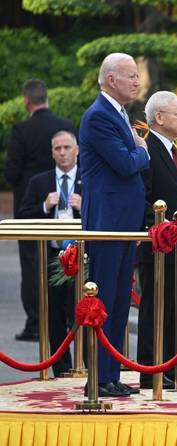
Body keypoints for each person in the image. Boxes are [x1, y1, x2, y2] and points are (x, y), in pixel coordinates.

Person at [79, 53, 150, 397]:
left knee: (121, 299)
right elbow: (125, 163)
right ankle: (99, 374)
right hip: (107, 223)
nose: (137, 81)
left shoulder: (118, 113)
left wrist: (136, 149)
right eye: (131, 76)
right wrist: (144, 150)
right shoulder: (99, 116)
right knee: (104, 297)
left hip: (123, 222)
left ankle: (111, 372)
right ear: (111, 80)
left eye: (137, 76)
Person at [136, 91, 177, 389]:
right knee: (155, 308)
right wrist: (159, 226)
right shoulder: (147, 150)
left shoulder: (173, 151)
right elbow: (143, 197)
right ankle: (152, 371)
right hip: (160, 247)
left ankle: (172, 366)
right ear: (159, 117)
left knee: (175, 308)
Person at [5, 79, 76, 342]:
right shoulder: (66, 126)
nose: (61, 152)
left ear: (26, 101)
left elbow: (11, 172)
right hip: (51, 207)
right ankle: (68, 319)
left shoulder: (21, 130)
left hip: (30, 208)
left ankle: (36, 322)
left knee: (33, 265)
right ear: (47, 98)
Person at [16, 130, 81, 377]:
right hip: (52, 255)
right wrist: (45, 206)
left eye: (67, 147)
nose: (62, 153)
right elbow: (22, 217)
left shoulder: (90, 179)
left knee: (82, 312)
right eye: (57, 149)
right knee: (53, 314)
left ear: (77, 150)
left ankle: (84, 365)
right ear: (52, 153)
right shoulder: (39, 182)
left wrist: (83, 205)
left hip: (81, 255)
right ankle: (62, 368)